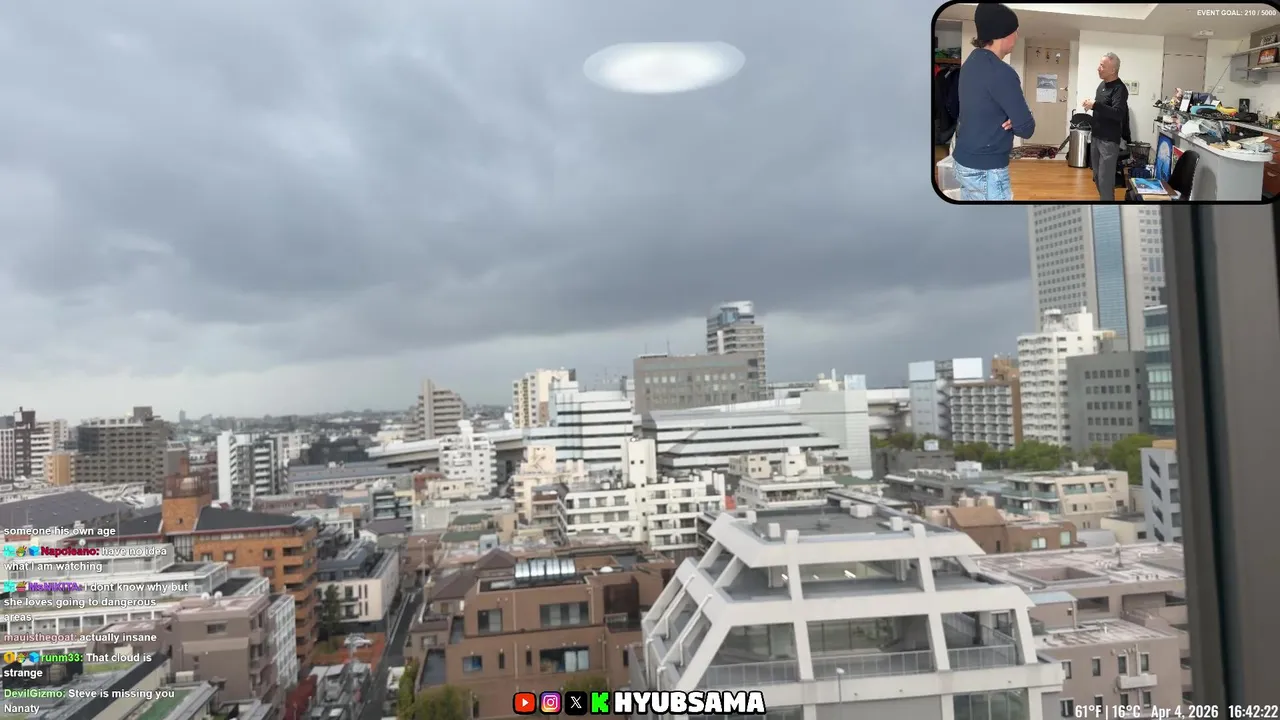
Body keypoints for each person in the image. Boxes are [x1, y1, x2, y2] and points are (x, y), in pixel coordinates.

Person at [951, 3, 1036, 201]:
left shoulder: (970, 63)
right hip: (986, 170)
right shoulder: (1002, 73)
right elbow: (1026, 129)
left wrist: (1013, 118)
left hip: (963, 160)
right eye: (1015, 31)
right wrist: (1019, 118)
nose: (1017, 36)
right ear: (1003, 34)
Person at [1084, 52, 1129, 201]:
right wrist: (1091, 105)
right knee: (1097, 176)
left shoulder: (1120, 89)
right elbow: (1102, 108)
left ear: (1112, 70)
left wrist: (1096, 105)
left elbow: (1118, 114)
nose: (1098, 68)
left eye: (1102, 66)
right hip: (1096, 137)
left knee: (1105, 180)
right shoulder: (1102, 85)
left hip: (1108, 142)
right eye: (1100, 65)